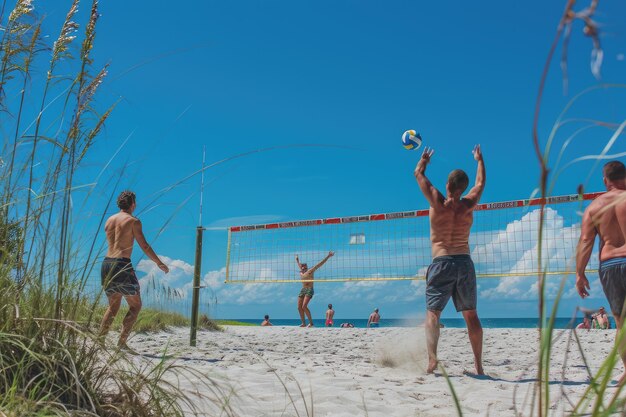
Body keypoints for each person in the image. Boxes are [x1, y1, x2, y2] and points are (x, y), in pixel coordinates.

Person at [415, 144, 486, 375]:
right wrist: (478, 160)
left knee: (433, 314)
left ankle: (432, 360)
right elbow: (479, 184)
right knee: (471, 314)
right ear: (462, 188)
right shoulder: (468, 204)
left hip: (441, 261)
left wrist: (424, 160)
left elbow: (418, 174)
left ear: (447, 185)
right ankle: (478, 365)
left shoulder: (436, 200)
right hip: (464, 262)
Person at [99, 191, 169, 350]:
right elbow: (144, 245)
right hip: (122, 264)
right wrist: (159, 263)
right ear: (133, 204)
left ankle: (100, 340)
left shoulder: (109, 221)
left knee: (113, 306)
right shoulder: (133, 221)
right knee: (135, 306)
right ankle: (121, 343)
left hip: (106, 264)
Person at [576, 161, 626, 383]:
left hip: (609, 265)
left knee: (621, 323)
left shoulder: (594, 207)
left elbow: (586, 241)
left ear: (605, 180)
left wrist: (580, 273)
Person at [295, 251, 334, 327]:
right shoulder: (301, 272)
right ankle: (303, 323)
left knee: (304, 306)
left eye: (304, 265)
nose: (303, 266)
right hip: (303, 289)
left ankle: (311, 323)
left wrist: (328, 256)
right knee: (299, 307)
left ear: (306, 266)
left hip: (309, 289)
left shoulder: (310, 271)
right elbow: (299, 265)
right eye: (302, 266)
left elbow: (320, 264)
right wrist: (297, 260)